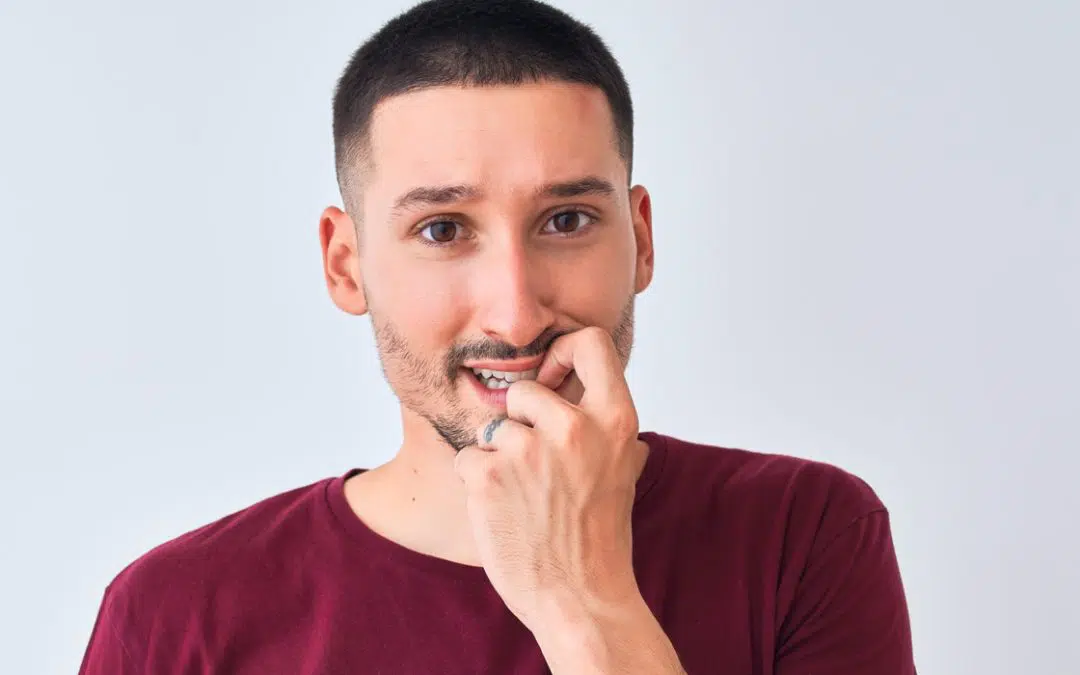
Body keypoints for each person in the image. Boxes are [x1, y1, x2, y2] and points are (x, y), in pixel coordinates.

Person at [79, 0, 916, 673]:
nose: (514, 314)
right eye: (443, 229)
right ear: (347, 264)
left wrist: (578, 599)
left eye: (566, 219)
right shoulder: (174, 614)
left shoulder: (803, 536)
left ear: (642, 240)